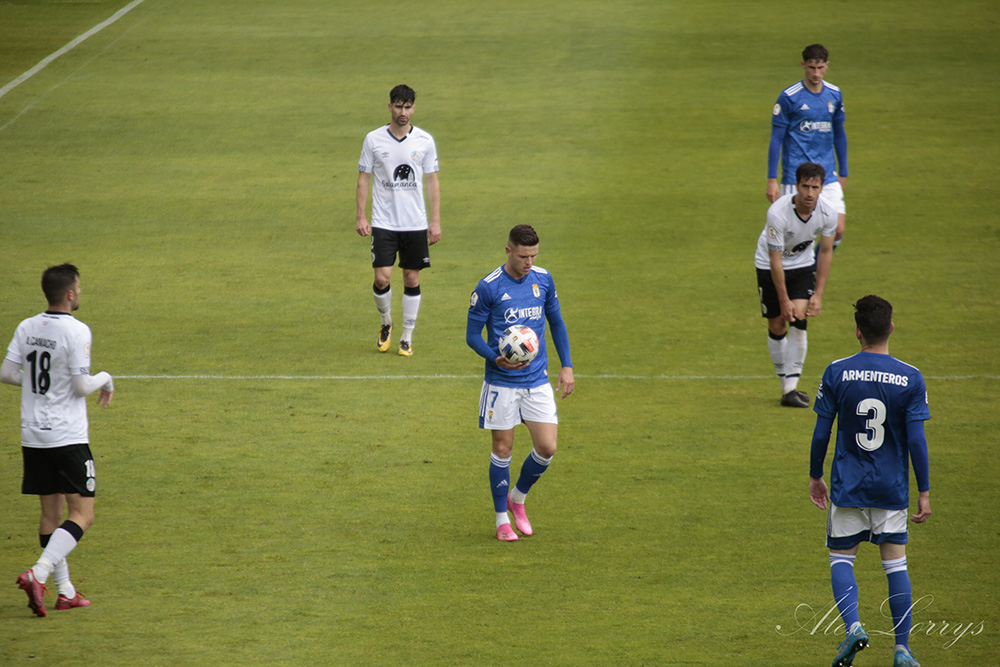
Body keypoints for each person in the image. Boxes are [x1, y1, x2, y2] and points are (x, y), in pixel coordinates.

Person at [809, 295, 930, 667]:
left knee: (841, 558)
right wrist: (924, 490)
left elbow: (822, 432)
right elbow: (916, 441)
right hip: (891, 488)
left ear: (857, 332)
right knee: (896, 565)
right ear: (890, 328)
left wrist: (815, 475)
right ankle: (902, 650)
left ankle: (854, 627)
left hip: (848, 485)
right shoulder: (910, 377)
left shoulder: (837, 371)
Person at [1, 264, 114, 618]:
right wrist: (106, 378)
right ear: (69, 293)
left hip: (33, 435)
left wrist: (43, 384)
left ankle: (65, 591)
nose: (80, 292)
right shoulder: (76, 330)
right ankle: (38, 573)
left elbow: (6, 373)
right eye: (78, 287)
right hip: (67, 436)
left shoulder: (27, 326)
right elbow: (81, 387)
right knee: (83, 514)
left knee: (51, 514)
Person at [466, 225, 574, 542]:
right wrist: (494, 357)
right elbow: (472, 335)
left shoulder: (543, 280)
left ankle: (518, 498)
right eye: (524, 256)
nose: (529, 262)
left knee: (547, 447)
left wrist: (567, 365)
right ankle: (502, 520)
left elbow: (556, 322)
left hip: (536, 379)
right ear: (508, 251)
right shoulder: (488, 287)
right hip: (502, 382)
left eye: (534, 255)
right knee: (503, 448)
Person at [355, 83, 441, 357]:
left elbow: (432, 182)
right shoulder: (373, 139)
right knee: (382, 279)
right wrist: (361, 215)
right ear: (390, 106)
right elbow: (363, 178)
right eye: (398, 106)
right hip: (384, 222)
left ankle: (407, 336)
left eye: (408, 107)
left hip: (414, 223)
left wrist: (435, 221)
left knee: (411, 278)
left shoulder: (424, 141)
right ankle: (386, 322)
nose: (403, 112)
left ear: (414, 108)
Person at [754, 161, 837, 407]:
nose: (810, 193)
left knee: (799, 316)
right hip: (769, 264)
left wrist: (818, 294)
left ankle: (790, 388)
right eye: (805, 186)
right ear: (797, 186)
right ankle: (786, 387)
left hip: (802, 265)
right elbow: (775, 259)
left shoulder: (828, 212)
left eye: (815, 187)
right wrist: (783, 300)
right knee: (778, 323)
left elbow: (826, 252)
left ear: (822, 188)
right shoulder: (777, 213)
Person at [767, 43, 848, 246]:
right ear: (803, 65)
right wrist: (772, 179)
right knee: (794, 238)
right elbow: (776, 138)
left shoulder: (834, 94)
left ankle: (815, 265)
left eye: (820, 68)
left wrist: (843, 172)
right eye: (811, 67)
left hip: (827, 175)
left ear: (827, 65)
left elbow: (839, 133)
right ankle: (800, 265)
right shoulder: (789, 97)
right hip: (796, 176)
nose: (816, 73)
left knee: (837, 230)